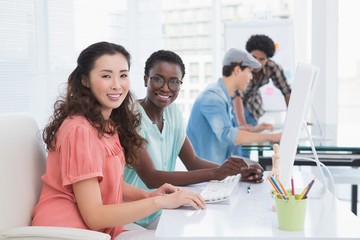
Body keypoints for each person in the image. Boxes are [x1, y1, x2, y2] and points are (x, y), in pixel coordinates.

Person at [31, 42, 206, 240]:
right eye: (106, 76)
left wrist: (151, 195)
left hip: (101, 232)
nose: (117, 84)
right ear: (85, 80)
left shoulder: (107, 125)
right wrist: (160, 203)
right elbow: (95, 216)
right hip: (67, 232)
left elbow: (109, 184)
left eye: (123, 75)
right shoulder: (79, 130)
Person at [124, 50, 264, 229]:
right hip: (134, 217)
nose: (166, 88)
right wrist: (216, 173)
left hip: (162, 210)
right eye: (158, 79)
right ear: (145, 79)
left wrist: (238, 170)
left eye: (174, 82)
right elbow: (151, 178)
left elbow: (192, 161)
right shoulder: (129, 117)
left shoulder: (172, 112)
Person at [186, 48, 282, 164]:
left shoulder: (222, 95)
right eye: (249, 71)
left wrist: (254, 130)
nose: (251, 77)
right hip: (208, 171)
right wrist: (273, 137)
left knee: (256, 168)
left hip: (218, 165)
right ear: (237, 70)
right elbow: (227, 135)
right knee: (257, 169)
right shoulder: (213, 98)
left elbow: (225, 130)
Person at [233, 34, 292, 127]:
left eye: (262, 59)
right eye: (254, 57)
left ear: (267, 59)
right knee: (238, 136)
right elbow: (236, 96)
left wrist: (294, 120)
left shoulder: (272, 67)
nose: (257, 62)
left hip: (253, 108)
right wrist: (243, 125)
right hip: (234, 109)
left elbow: (286, 91)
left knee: (252, 139)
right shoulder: (240, 67)